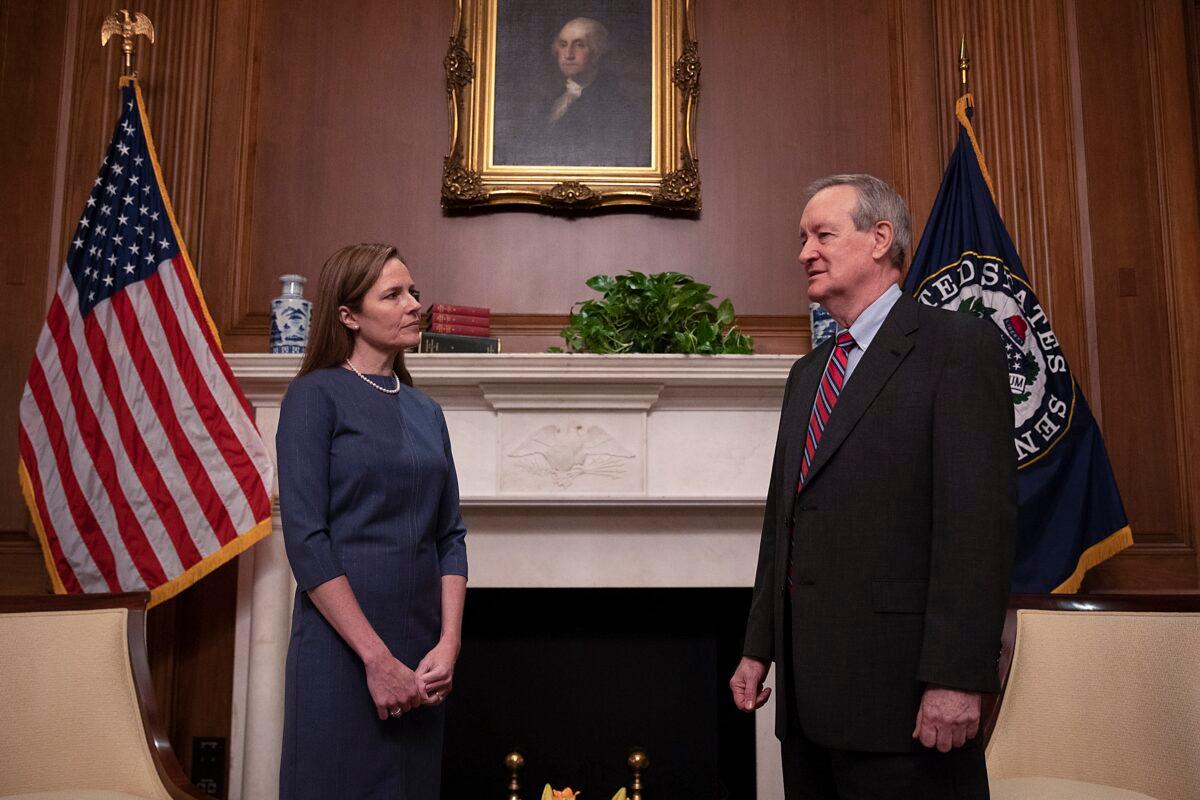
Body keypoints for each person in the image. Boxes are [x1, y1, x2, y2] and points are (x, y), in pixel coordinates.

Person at [729, 175, 1015, 799]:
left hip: (906, 705)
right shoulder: (808, 374)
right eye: (802, 238)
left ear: (880, 238)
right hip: (809, 710)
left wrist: (958, 679)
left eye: (822, 235)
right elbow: (785, 526)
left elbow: (977, 529)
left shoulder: (955, 348)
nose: (804, 252)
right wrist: (759, 648)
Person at [276, 243, 468, 799]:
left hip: (422, 659)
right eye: (393, 295)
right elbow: (307, 542)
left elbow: (450, 536)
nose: (414, 305)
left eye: (413, 292)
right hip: (343, 653)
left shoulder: (425, 410)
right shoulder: (313, 397)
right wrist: (376, 659)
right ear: (348, 316)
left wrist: (449, 643)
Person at [494, 16, 650, 167]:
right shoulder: (551, 102)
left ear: (597, 52)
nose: (568, 54)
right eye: (563, 44)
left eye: (580, 45)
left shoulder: (617, 106)